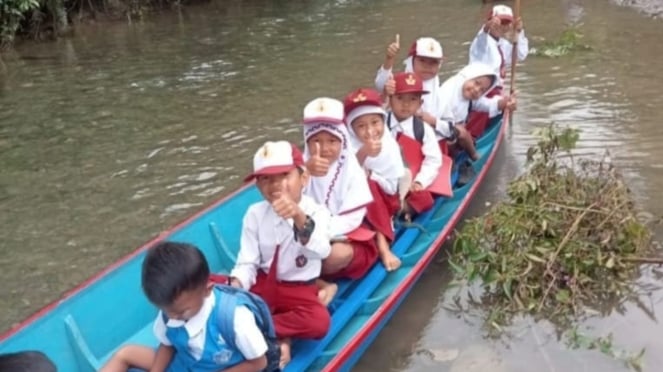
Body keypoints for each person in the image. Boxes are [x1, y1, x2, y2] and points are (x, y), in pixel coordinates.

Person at [229, 140, 332, 367]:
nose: (274, 184)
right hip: (265, 284)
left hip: (299, 290)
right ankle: (272, 333)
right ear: (258, 185)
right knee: (212, 288)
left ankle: (255, 329)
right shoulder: (254, 214)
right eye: (265, 178)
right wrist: (234, 287)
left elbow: (322, 250)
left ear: (303, 178)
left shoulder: (317, 212)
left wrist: (297, 216)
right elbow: (248, 262)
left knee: (319, 322)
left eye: (284, 175)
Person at [101, 242, 274, 372]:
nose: (173, 317)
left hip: (228, 368)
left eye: (182, 312)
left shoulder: (235, 318)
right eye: (168, 311)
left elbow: (259, 362)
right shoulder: (171, 310)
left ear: (207, 290)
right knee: (126, 353)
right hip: (188, 363)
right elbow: (167, 344)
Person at [302, 97, 380, 283]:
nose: (325, 148)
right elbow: (290, 203)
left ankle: (308, 278)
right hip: (303, 233)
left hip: (342, 235)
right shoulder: (301, 169)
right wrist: (305, 173)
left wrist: (318, 234)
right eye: (316, 141)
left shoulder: (351, 171)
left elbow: (352, 220)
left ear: (343, 142)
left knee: (336, 255)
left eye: (332, 141)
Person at [378, 36, 479, 160]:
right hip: (402, 142)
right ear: (412, 61)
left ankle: (468, 159)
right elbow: (382, 87)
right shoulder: (399, 84)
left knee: (458, 135)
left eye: (433, 62)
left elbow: (449, 125)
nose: (428, 66)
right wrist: (389, 59)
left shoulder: (439, 93)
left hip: (434, 144)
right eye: (422, 61)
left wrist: (431, 121)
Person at [343, 88, 405, 271]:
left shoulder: (389, 144)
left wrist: (373, 176)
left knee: (368, 184)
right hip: (353, 200)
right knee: (363, 182)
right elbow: (345, 177)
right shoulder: (346, 146)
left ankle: (382, 244)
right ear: (351, 129)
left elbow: (393, 185)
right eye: (361, 126)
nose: (370, 131)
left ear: (382, 121)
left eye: (375, 122)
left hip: (384, 198)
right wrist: (363, 154)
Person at [385, 72, 449, 220]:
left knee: (425, 199)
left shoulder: (422, 129)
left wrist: (420, 181)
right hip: (386, 179)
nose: (406, 104)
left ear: (420, 104)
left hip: (411, 180)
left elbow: (433, 160)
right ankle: (395, 208)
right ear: (390, 100)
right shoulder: (380, 123)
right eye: (400, 98)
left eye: (412, 99)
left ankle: (403, 208)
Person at [467, 4, 528, 138]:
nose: (503, 26)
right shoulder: (482, 41)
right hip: (481, 90)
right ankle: (471, 136)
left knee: (507, 101)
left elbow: (521, 55)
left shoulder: (503, 44)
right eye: (500, 22)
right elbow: (481, 39)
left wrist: (519, 32)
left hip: (496, 90)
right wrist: (487, 27)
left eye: (507, 23)